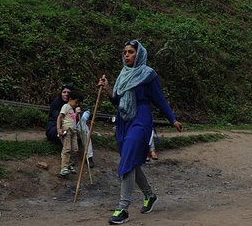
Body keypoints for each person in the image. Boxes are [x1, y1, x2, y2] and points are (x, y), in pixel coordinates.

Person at [99, 40, 183, 225]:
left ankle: (123, 208)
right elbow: (117, 100)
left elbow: (159, 99)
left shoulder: (147, 74)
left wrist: (172, 119)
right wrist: (107, 88)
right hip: (123, 122)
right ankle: (150, 195)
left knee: (128, 160)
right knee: (133, 163)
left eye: (130, 52)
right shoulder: (123, 74)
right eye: (124, 52)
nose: (126, 55)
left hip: (141, 120)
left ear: (139, 54)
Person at [46, 84, 94, 167]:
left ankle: (89, 156)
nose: (66, 94)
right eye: (64, 92)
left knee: (84, 128)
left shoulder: (75, 104)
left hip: (70, 127)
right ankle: (66, 160)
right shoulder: (56, 103)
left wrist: (82, 115)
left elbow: (76, 118)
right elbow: (60, 119)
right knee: (67, 127)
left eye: (68, 92)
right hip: (55, 129)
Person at [56, 89, 84, 176]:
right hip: (66, 130)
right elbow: (59, 117)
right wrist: (58, 129)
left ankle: (70, 165)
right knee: (67, 149)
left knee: (75, 149)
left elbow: (73, 119)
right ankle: (64, 167)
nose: (77, 104)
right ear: (70, 99)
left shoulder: (72, 109)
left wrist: (76, 114)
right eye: (76, 102)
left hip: (74, 132)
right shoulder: (65, 106)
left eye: (78, 103)